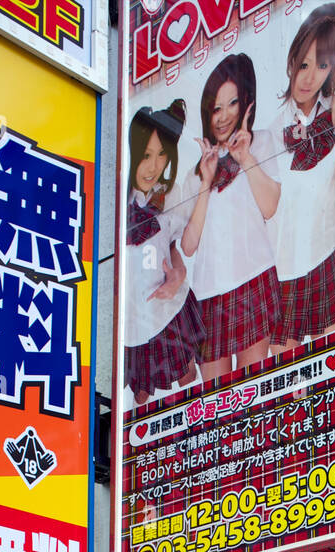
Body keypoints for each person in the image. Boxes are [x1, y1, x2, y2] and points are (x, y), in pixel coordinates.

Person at [180, 53, 281, 381]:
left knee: (252, 392)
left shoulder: (262, 142)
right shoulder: (197, 173)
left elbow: (269, 206)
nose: (223, 117)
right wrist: (206, 184)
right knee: (215, 405)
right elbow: (189, 245)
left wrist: (246, 158)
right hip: (209, 294)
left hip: (253, 279)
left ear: (246, 103)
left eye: (232, 103)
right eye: (216, 108)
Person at [269, 3, 335, 353]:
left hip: (325, 254)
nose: (309, 77)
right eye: (303, 64)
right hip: (283, 267)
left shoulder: (334, 114)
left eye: (321, 66)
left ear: (333, 70)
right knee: (284, 382)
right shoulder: (271, 125)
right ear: (291, 62)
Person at [124, 100, 205, 403]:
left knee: (188, 381)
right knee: (139, 399)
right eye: (146, 155)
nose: (154, 166)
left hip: (166, 312)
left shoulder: (164, 201)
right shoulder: (115, 208)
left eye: (161, 155)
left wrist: (177, 277)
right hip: (132, 324)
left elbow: (174, 254)